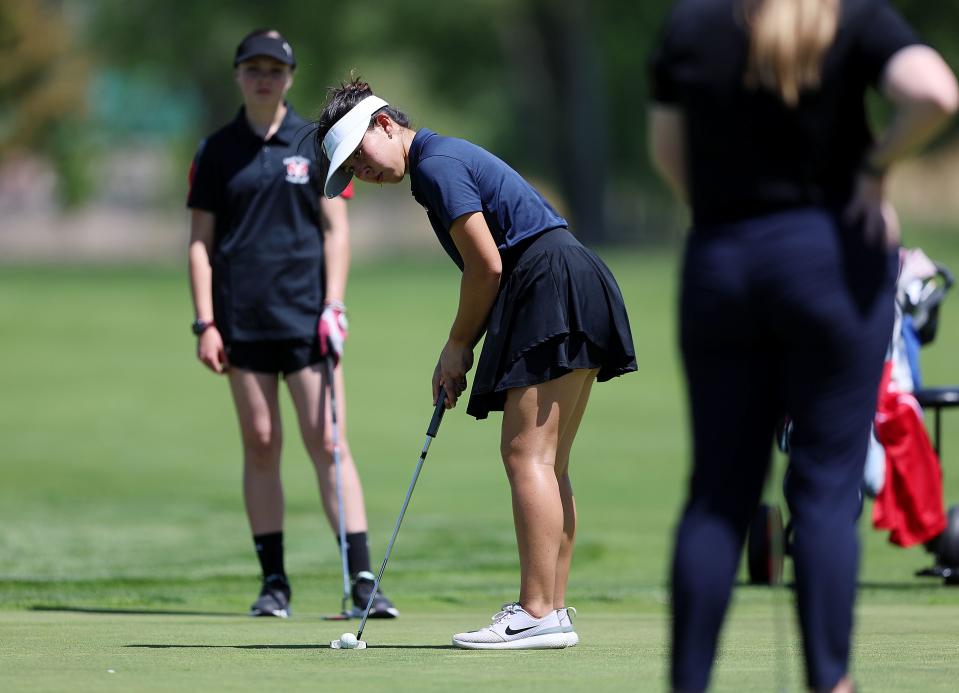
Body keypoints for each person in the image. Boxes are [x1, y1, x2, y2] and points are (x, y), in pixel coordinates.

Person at [648, 0, 958, 690]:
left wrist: (731, 215)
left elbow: (669, 154)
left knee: (717, 496)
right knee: (823, 490)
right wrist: (875, 167)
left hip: (723, 260)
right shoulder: (853, 17)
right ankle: (829, 679)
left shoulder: (691, 23)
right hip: (829, 258)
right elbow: (935, 92)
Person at [315, 79, 637, 649]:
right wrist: (463, 346)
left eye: (360, 157)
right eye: (351, 171)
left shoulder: (436, 165)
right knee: (550, 461)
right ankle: (552, 611)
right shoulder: (442, 159)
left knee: (525, 455)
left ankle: (536, 612)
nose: (361, 174)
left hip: (549, 283)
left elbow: (485, 267)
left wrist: (456, 345)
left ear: (385, 124)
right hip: (570, 277)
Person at [186, 30, 399, 620]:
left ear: (289, 76)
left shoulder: (316, 141)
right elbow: (201, 245)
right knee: (260, 442)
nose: (264, 78)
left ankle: (361, 580)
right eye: (253, 68)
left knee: (329, 442)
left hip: (307, 320)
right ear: (238, 75)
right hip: (242, 320)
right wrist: (205, 322)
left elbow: (336, 231)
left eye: (274, 70)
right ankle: (274, 583)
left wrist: (335, 304)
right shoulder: (217, 150)